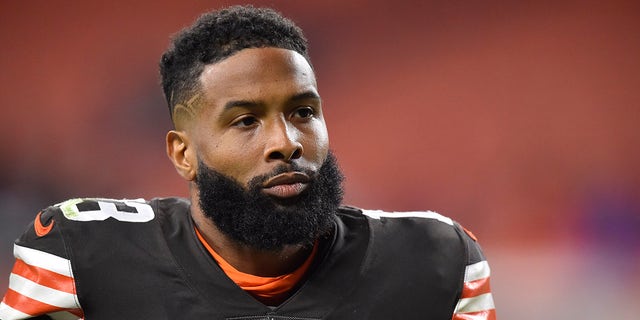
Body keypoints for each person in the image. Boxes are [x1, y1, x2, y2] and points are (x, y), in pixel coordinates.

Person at [0, 5, 495, 320]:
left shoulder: (435, 261)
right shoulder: (80, 259)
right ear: (183, 153)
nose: (286, 142)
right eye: (245, 121)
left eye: (303, 112)